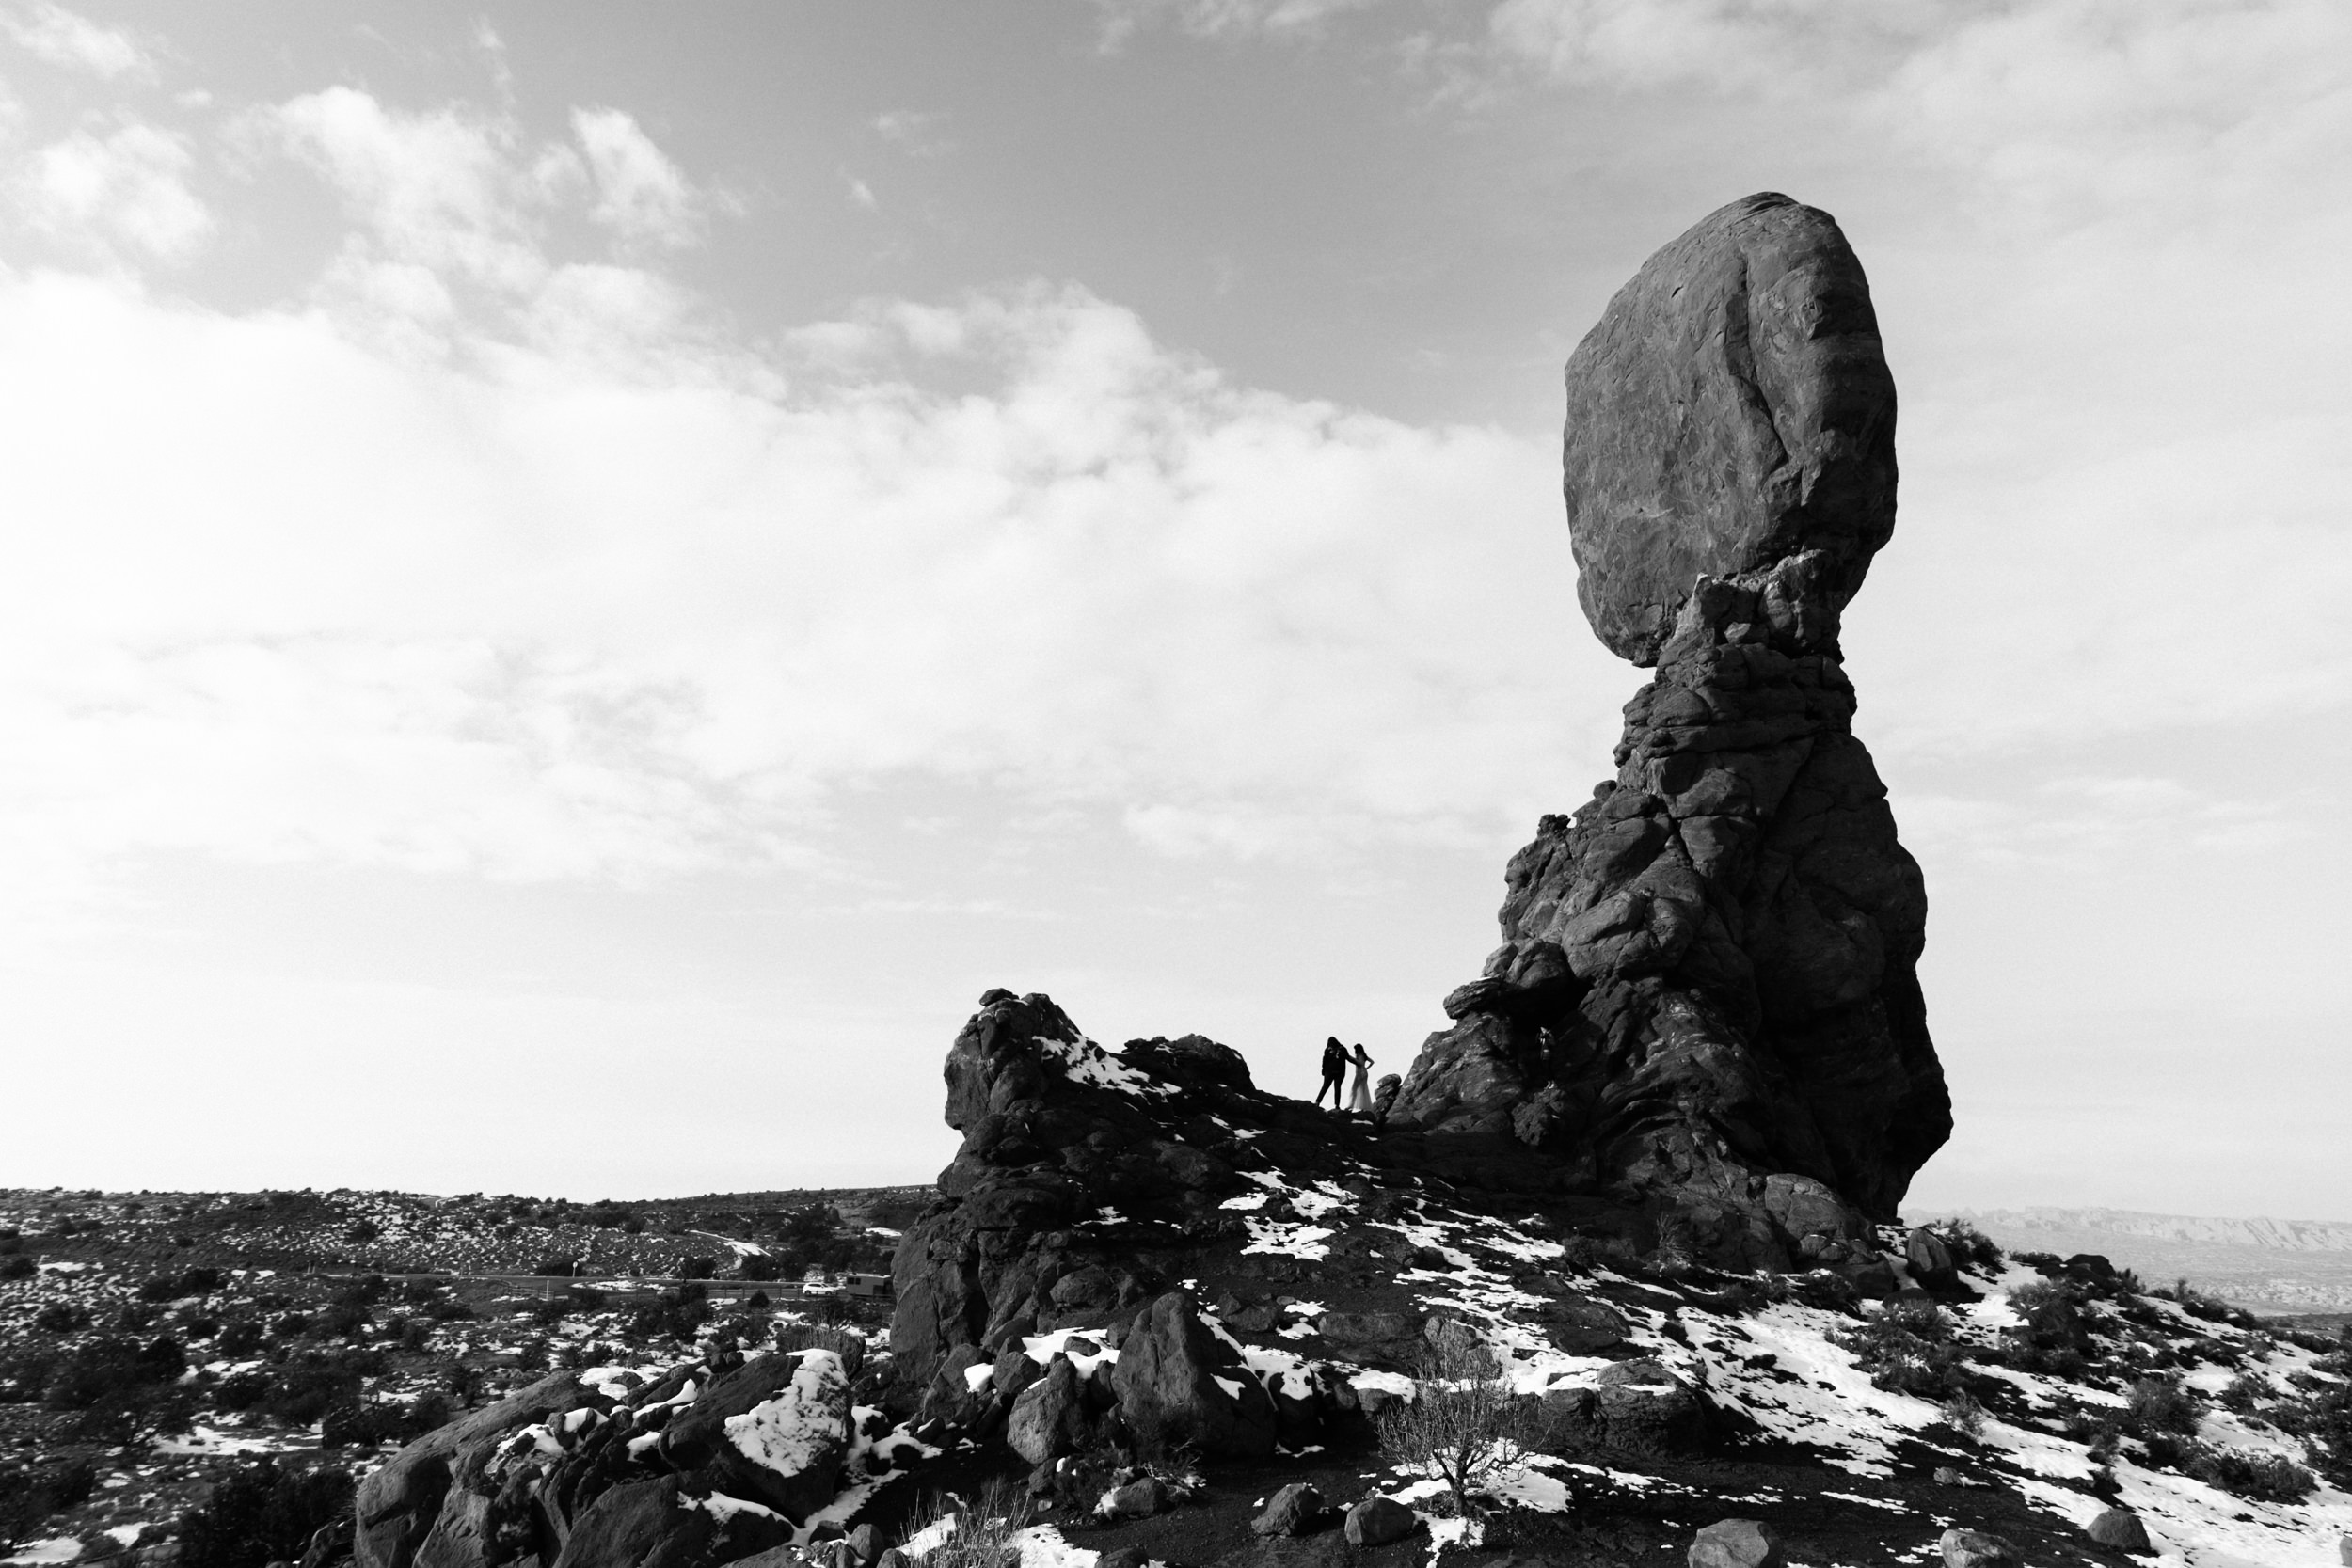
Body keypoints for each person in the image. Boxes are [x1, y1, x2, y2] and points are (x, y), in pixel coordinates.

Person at [1314, 1036, 1347, 1109]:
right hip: (1340, 1072)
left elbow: (1324, 1060)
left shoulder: (1327, 1050)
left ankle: (1317, 1102)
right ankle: (1337, 1105)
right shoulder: (1342, 1049)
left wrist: (1323, 1070)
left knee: (1325, 1087)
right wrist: (1359, 1064)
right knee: (1337, 1088)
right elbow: (1348, 1057)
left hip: (1329, 1072)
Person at [1348, 1042, 1375, 1117]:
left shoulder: (1359, 1055)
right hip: (1364, 1073)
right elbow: (1372, 1062)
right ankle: (1363, 1106)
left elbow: (1359, 1063)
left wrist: (1352, 1059)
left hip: (1360, 1074)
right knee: (1363, 1089)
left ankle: (1351, 1105)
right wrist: (1367, 1068)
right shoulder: (1364, 1055)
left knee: (1354, 1089)